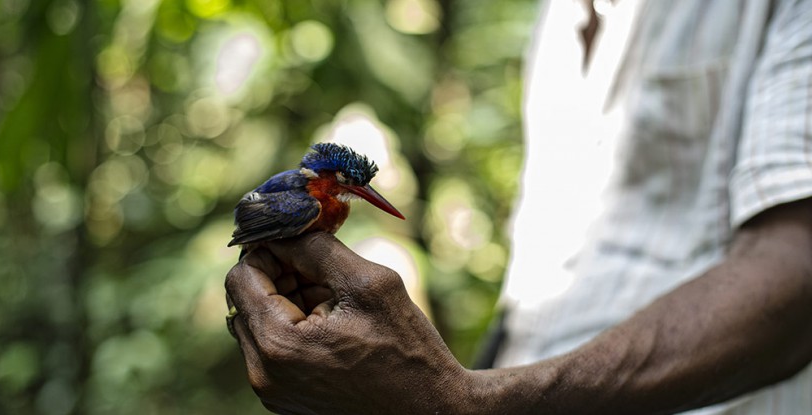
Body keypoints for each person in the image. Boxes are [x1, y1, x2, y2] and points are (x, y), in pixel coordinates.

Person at [224, 0, 812, 413]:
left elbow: (796, 278)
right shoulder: (556, 16)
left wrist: (469, 402)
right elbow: (544, 266)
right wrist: (467, 374)